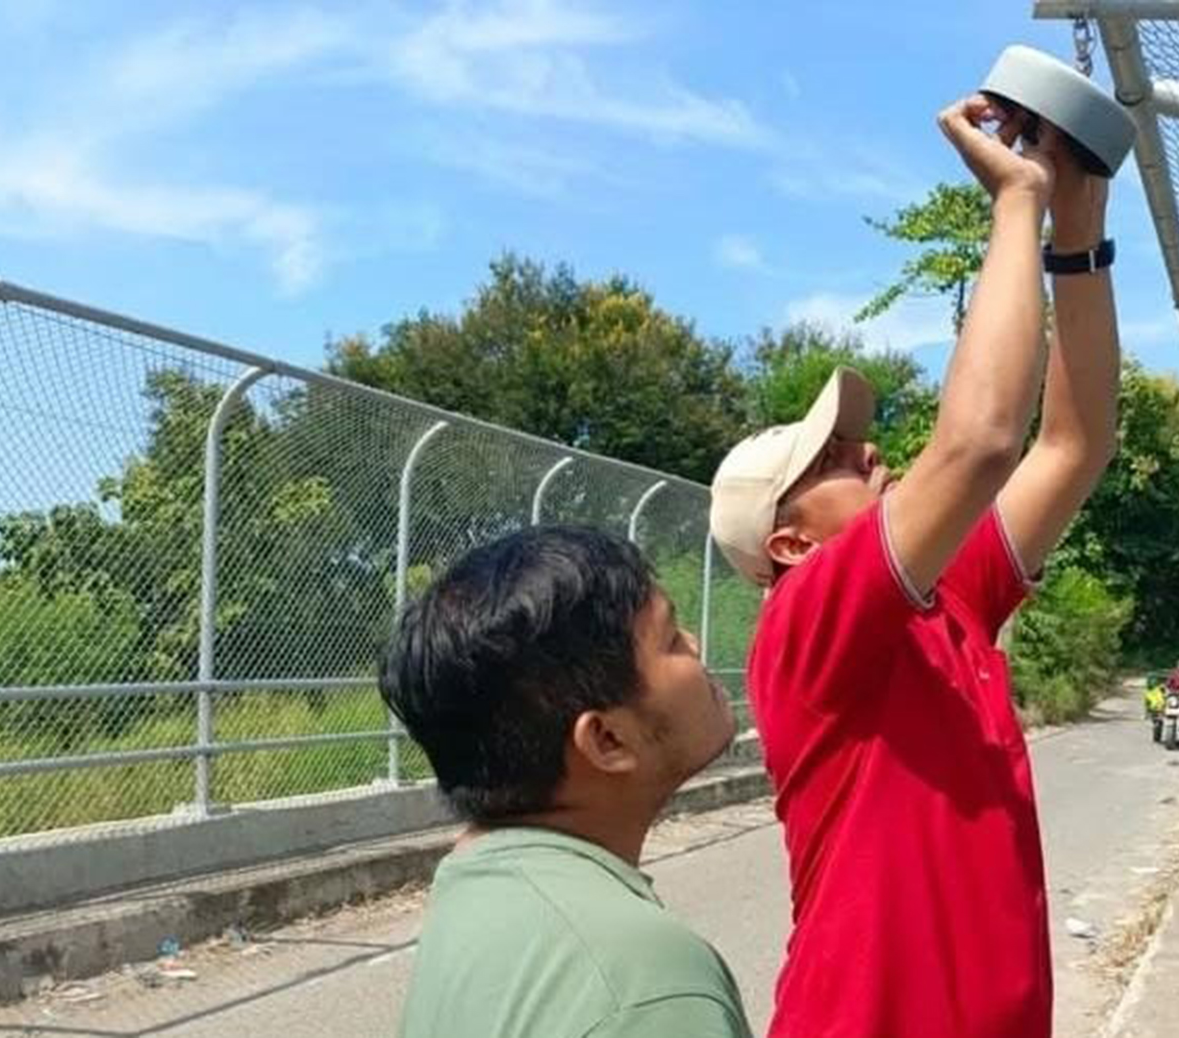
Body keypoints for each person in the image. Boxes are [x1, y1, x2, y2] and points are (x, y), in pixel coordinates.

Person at [709, 93, 1120, 1038]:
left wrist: (1077, 239)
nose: (865, 454)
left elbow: (1076, 444)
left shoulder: (949, 603)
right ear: (789, 545)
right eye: (831, 461)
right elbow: (979, 442)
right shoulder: (806, 624)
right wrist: (1016, 201)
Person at [379, 526, 752, 1038]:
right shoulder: (642, 983)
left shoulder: (476, 891)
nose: (696, 643)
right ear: (607, 740)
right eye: (670, 639)